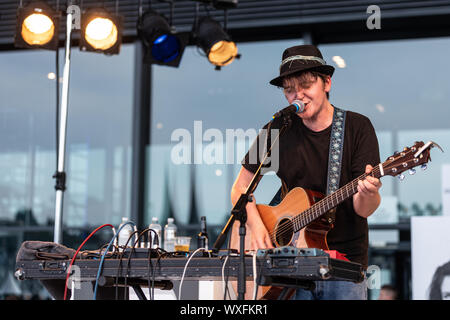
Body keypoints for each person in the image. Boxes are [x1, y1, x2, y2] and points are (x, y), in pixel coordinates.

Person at [230, 44, 382, 300]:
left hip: (342, 266)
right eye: (289, 90)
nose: (298, 95)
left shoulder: (357, 127)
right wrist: (257, 227)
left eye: (306, 86)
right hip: (288, 267)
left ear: (327, 83)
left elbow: (364, 209)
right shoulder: (278, 128)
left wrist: (369, 192)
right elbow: (239, 189)